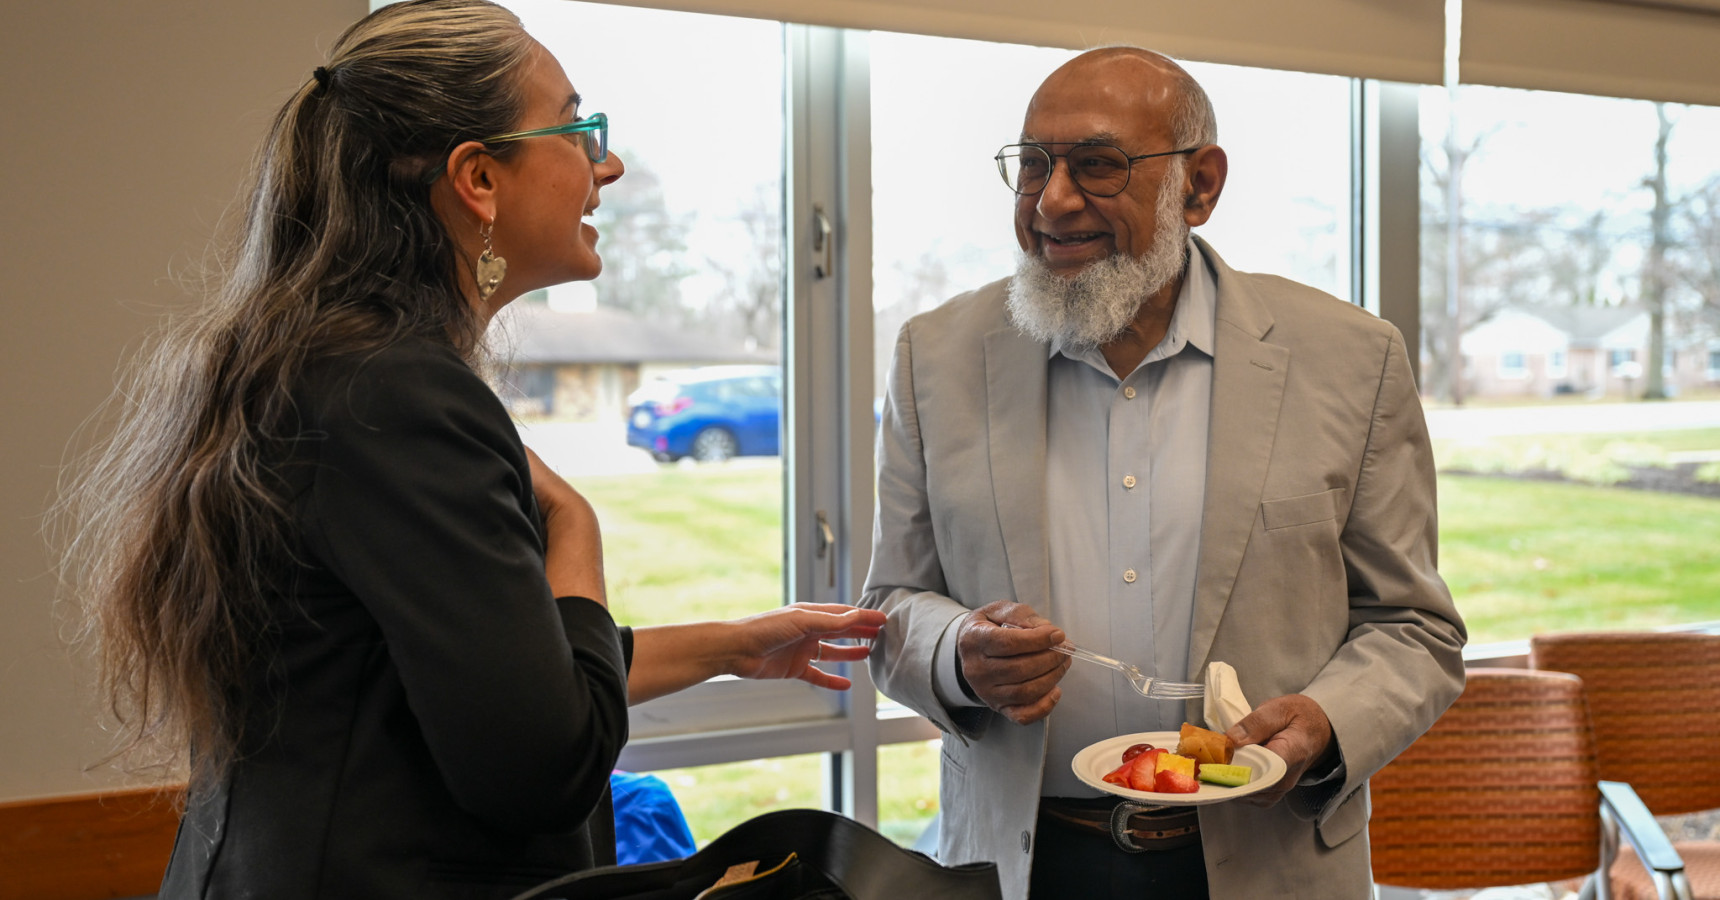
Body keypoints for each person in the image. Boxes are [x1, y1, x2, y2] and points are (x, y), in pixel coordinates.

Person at [53, 2, 884, 897]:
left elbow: (484, 674)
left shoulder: (323, 366)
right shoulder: (398, 394)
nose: (607, 164)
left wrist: (731, 646)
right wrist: (577, 525)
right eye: (579, 128)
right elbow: (544, 763)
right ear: (479, 178)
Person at [860, 47, 1466, 900]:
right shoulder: (938, 355)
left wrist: (1328, 721)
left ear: (1201, 186)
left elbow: (1414, 626)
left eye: (1099, 165)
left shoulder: (1350, 359)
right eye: (1032, 166)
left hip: (1263, 860)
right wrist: (958, 654)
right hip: (1022, 862)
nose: (1053, 201)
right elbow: (889, 604)